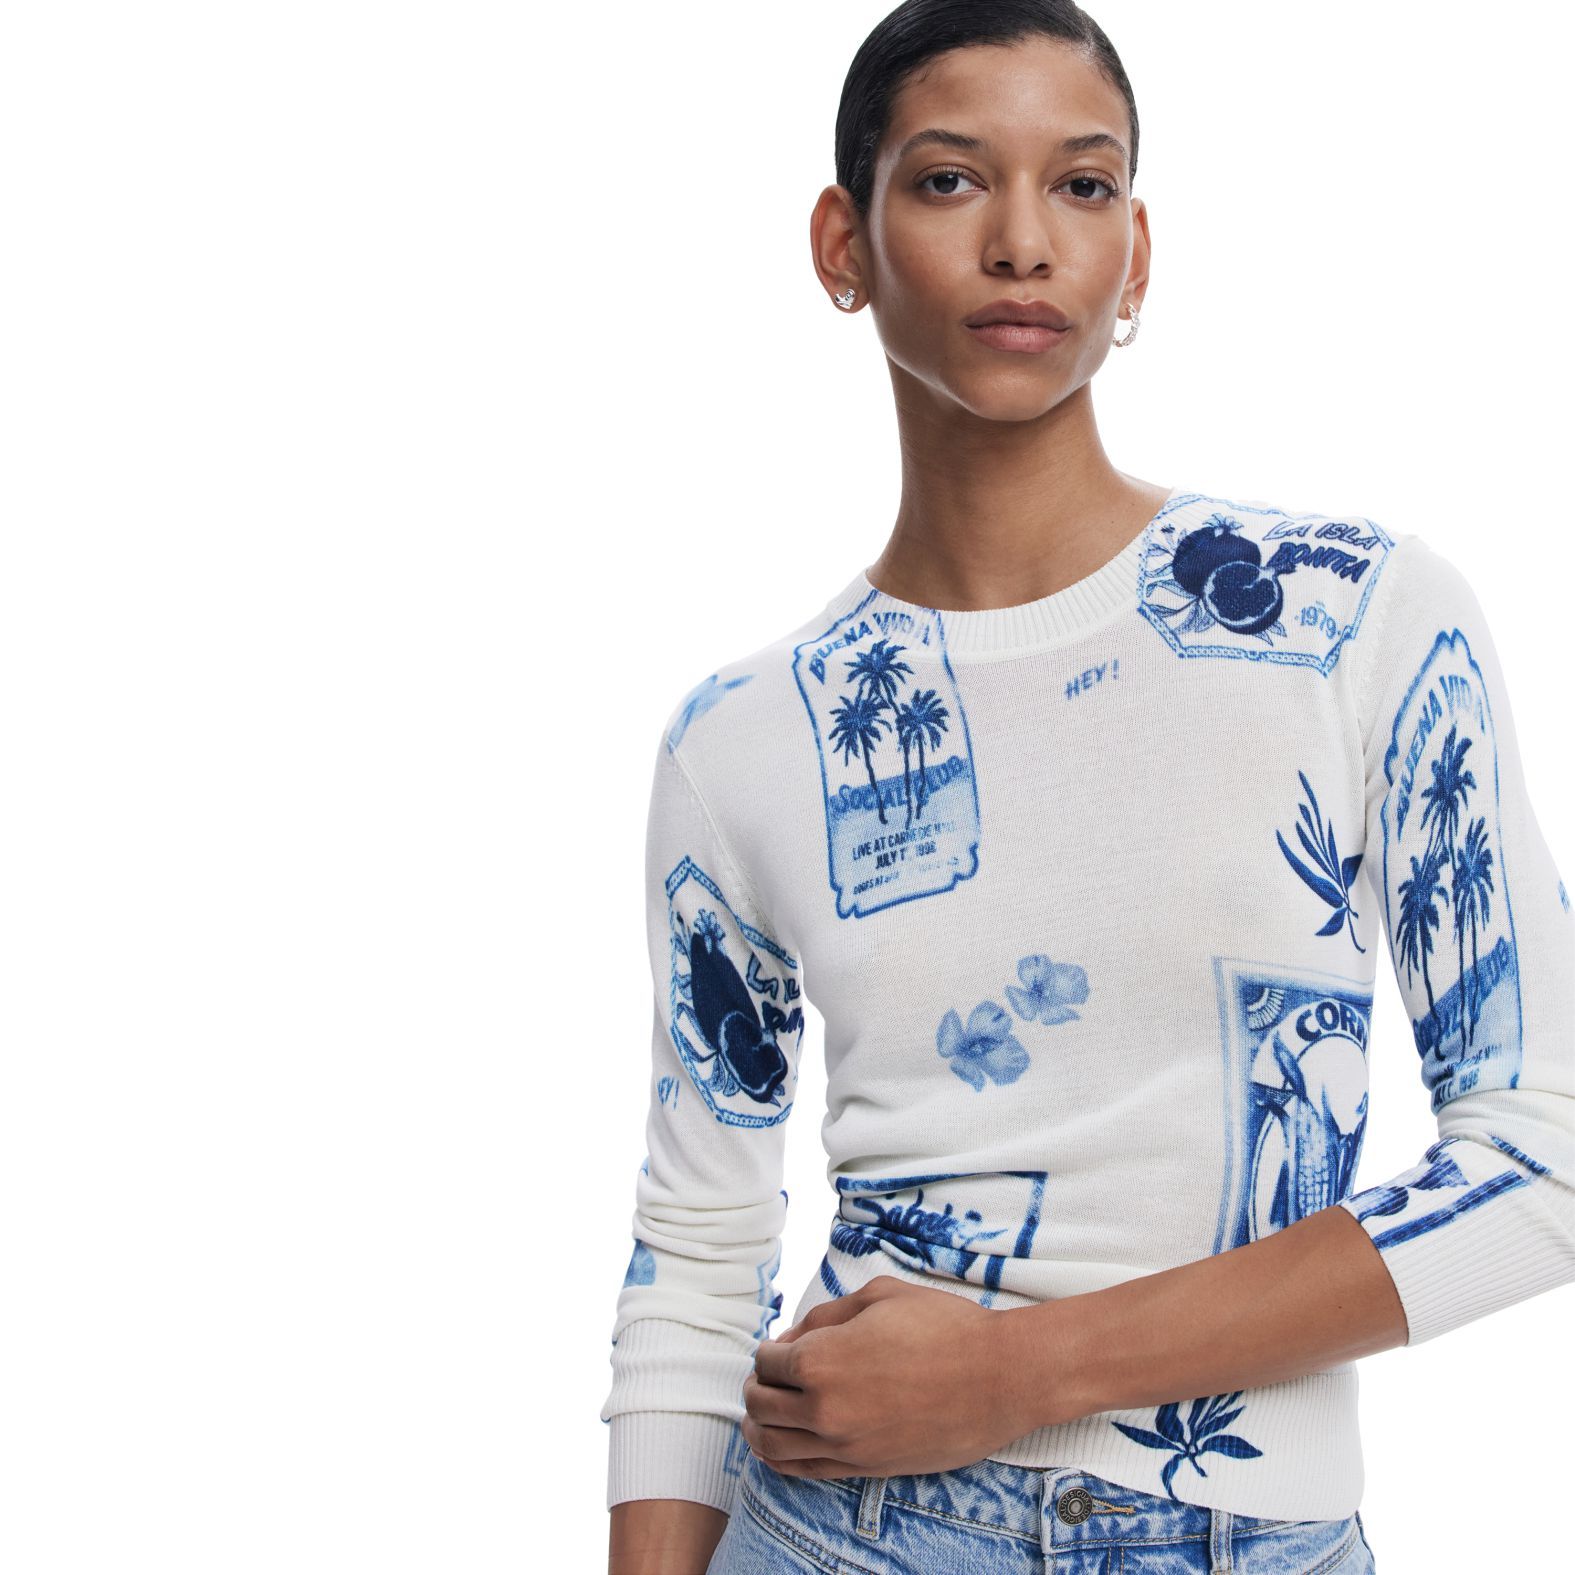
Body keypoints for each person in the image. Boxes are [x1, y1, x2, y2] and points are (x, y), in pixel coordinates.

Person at [602, 2, 1575, 1571]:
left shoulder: (1351, 619)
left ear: (1138, 256)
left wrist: (1019, 1375)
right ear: (842, 246)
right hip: (841, 1532)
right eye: (949, 180)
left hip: (1252, 1536)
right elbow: (699, 1251)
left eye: (1082, 184)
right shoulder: (744, 738)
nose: (1022, 243)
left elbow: (1550, 1154)